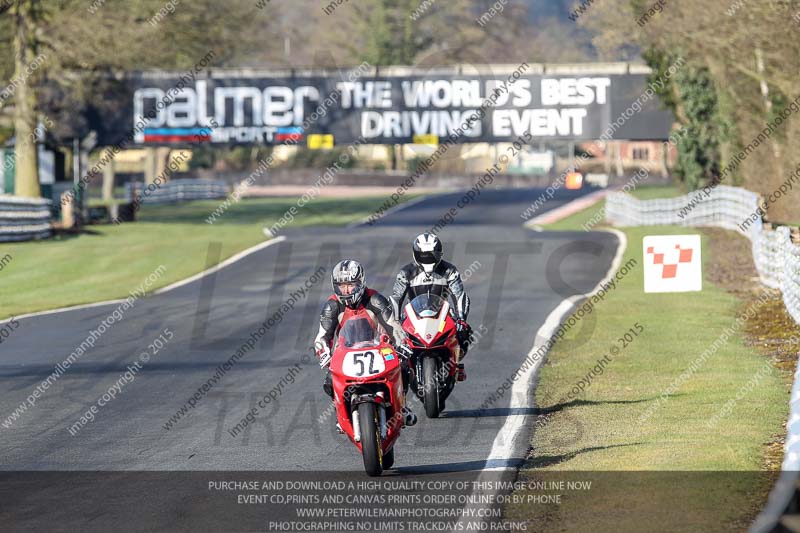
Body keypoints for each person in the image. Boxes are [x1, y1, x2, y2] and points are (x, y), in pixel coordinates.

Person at [314, 259, 417, 428]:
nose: (346, 290)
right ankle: (341, 415)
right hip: (347, 352)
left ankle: (401, 405)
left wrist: (401, 343)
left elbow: (393, 325)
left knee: (405, 367)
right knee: (329, 380)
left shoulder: (375, 299)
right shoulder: (332, 305)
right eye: (342, 286)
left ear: (361, 283)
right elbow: (322, 336)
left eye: (351, 285)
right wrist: (324, 352)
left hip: (379, 348)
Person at [391, 233, 472, 381]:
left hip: (441, 314)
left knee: (464, 331)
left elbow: (459, 295)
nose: (428, 259)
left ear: (439, 253)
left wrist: (461, 319)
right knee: (395, 342)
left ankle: (455, 363)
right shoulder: (406, 273)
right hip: (413, 316)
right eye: (424, 256)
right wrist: (395, 323)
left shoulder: (449, 271)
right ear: (415, 254)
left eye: (431, 255)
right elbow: (396, 298)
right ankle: (403, 382)